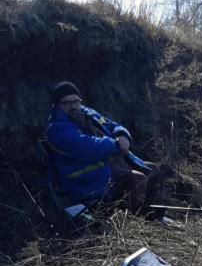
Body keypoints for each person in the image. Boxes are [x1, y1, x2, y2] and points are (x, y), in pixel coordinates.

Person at [46, 81, 164, 216]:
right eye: (66, 103)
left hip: (106, 166)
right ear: (57, 105)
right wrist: (116, 145)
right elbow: (88, 148)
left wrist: (122, 135)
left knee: (153, 170)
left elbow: (111, 124)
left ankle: (155, 217)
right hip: (86, 178)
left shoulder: (88, 113)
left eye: (76, 101)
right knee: (137, 179)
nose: (73, 106)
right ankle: (136, 221)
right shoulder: (57, 129)